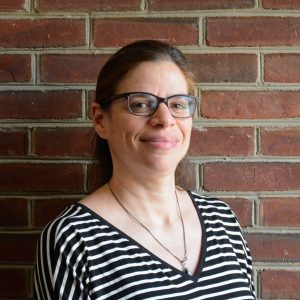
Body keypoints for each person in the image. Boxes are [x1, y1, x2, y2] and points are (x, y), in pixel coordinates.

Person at [34, 40, 256, 299]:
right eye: (140, 104)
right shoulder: (74, 240)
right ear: (100, 119)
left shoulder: (222, 220)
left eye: (178, 104)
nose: (164, 119)